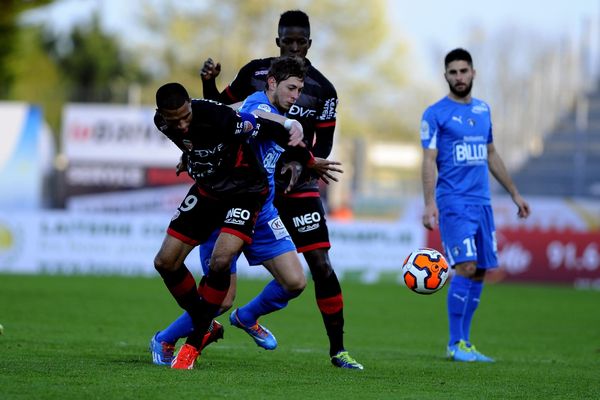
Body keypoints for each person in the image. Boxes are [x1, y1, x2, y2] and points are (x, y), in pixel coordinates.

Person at [199, 9, 363, 370]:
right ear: (277, 42)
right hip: (252, 183)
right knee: (222, 269)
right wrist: (210, 83)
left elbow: (324, 146)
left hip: (299, 184)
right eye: (286, 41)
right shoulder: (257, 73)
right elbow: (219, 111)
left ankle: (338, 350)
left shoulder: (324, 90)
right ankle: (195, 333)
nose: (292, 47)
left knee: (320, 266)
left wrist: (300, 162)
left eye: (299, 41)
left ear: (308, 43)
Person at [152, 81, 309, 369]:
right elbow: (192, 143)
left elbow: (258, 123)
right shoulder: (163, 123)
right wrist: (189, 158)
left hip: (245, 192)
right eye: (176, 121)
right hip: (208, 192)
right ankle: (203, 324)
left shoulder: (219, 117)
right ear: (162, 115)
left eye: (187, 116)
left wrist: (292, 131)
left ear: (190, 105)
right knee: (165, 262)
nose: (183, 125)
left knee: (221, 261)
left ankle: (193, 344)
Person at [420, 48, 531, 362]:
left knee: (480, 271)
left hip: (482, 202)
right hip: (453, 202)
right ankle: (454, 344)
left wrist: (514, 193)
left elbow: (491, 154)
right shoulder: (435, 114)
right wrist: (429, 202)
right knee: (465, 267)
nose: (459, 77)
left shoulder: (483, 110)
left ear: (473, 73)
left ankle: (466, 343)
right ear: (446, 76)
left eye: (463, 71)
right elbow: (428, 159)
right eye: (453, 72)